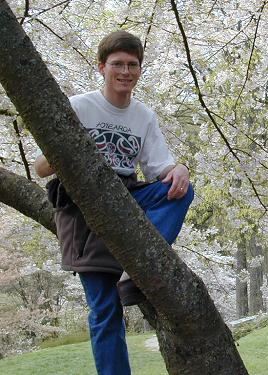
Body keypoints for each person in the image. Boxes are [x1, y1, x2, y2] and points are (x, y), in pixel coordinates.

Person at [34, 30, 194, 375]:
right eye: (117, 64)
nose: (125, 71)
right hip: (82, 207)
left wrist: (179, 168)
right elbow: (40, 166)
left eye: (132, 65)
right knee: (105, 310)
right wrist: (71, 150)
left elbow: (159, 167)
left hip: (126, 196)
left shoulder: (144, 116)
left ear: (139, 70)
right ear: (101, 67)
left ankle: (135, 273)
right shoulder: (79, 106)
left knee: (182, 189)